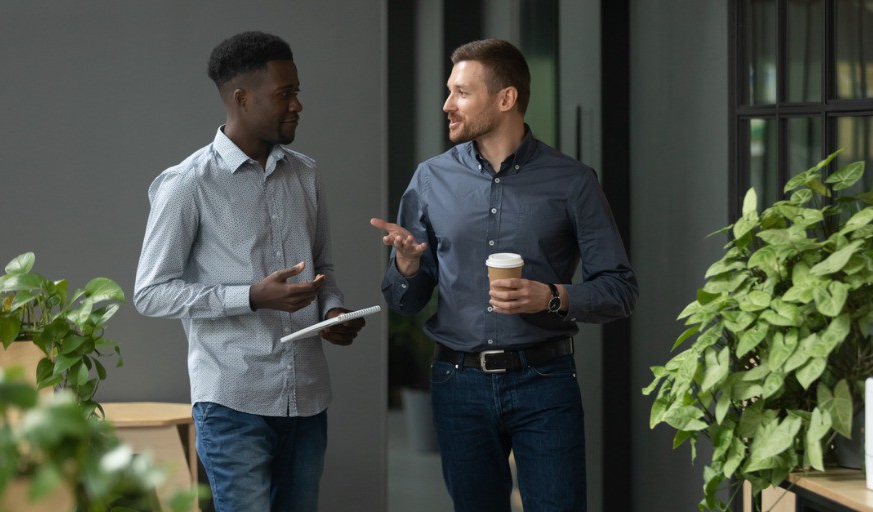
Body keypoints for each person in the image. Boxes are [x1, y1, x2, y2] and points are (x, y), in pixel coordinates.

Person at [371, 39, 638, 511]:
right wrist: (406, 267)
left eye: (461, 93)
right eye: (449, 91)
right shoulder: (430, 179)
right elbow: (404, 301)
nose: (447, 104)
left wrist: (551, 296)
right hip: (457, 383)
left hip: (545, 381)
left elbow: (620, 289)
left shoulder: (573, 181)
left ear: (506, 98)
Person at [134, 31, 365, 512]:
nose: (297, 104)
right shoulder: (188, 183)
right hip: (232, 402)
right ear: (241, 98)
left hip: (307, 397)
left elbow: (323, 267)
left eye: (297, 91)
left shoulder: (306, 173)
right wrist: (251, 297)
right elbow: (151, 292)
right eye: (285, 93)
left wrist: (333, 310)